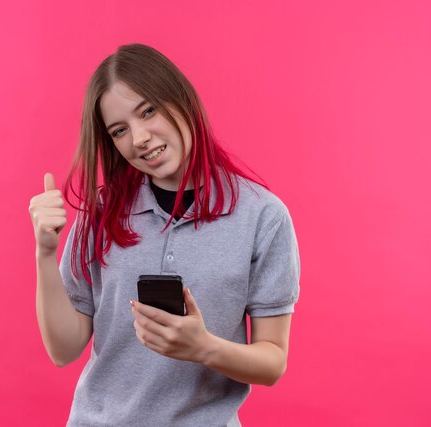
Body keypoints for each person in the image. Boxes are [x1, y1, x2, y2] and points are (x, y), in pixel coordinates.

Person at [28, 43, 300, 427]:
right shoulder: (103, 213)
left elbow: (272, 361)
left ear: (181, 99)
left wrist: (204, 348)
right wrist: (44, 253)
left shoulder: (262, 217)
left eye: (148, 111)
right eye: (120, 130)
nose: (138, 138)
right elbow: (63, 349)